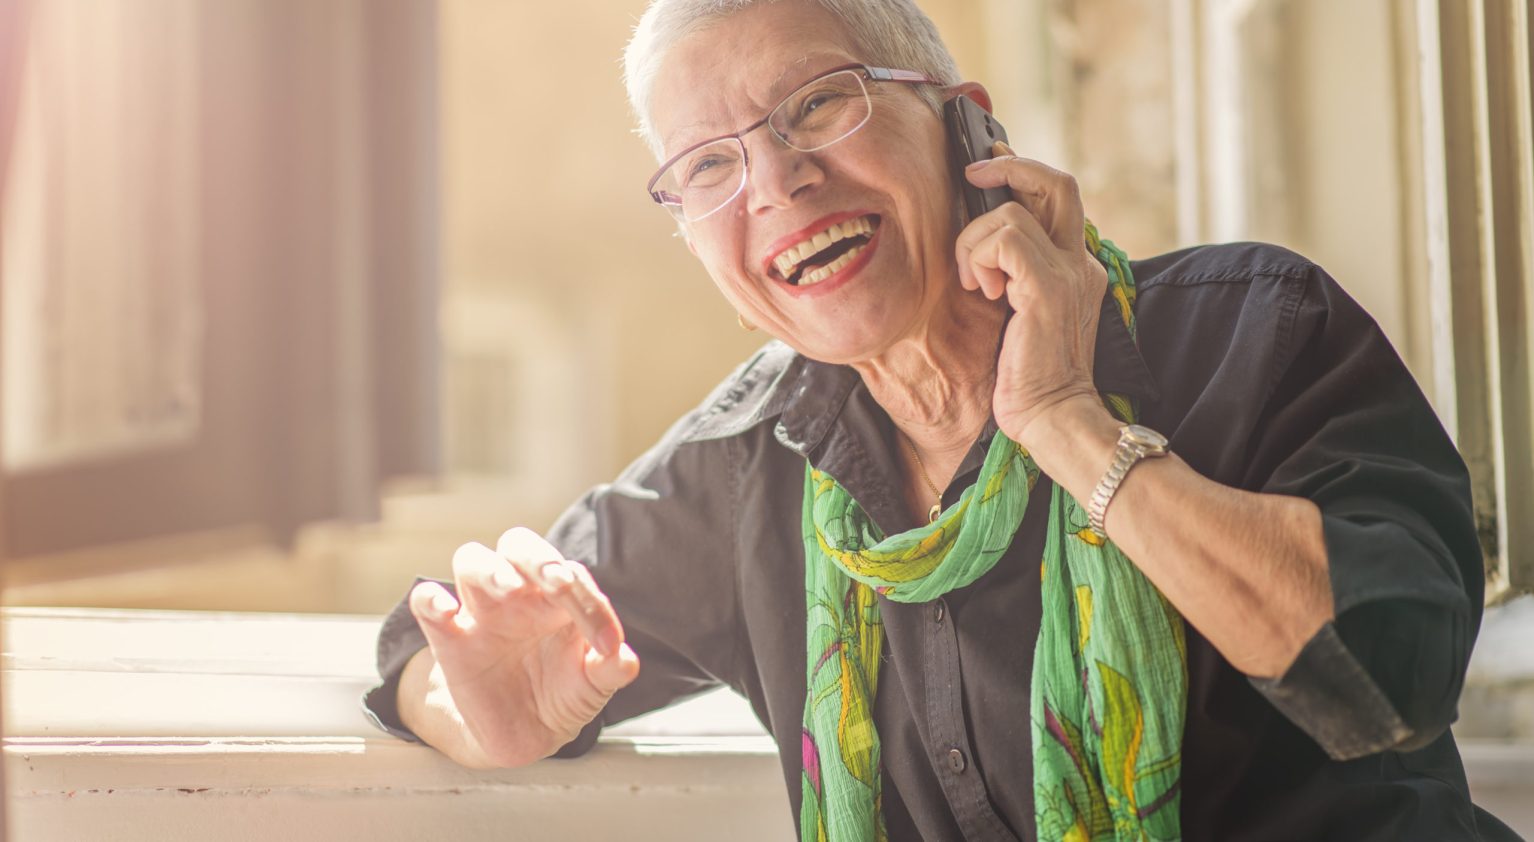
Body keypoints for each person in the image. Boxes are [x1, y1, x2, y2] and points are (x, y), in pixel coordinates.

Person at [362, 0, 1522, 839]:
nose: (775, 181)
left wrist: (1069, 422)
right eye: (707, 167)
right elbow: (432, 650)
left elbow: (1385, 674)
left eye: (818, 104)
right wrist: (481, 708)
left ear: (965, 129)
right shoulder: (744, 469)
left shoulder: (1249, 330)